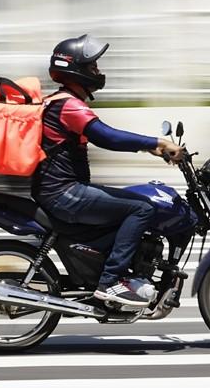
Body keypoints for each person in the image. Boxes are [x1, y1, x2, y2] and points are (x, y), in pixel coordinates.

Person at [31, 34, 184, 307]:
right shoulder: (69, 105)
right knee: (142, 208)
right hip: (64, 193)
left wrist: (151, 148)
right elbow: (107, 137)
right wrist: (156, 142)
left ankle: (106, 268)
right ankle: (110, 282)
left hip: (59, 190)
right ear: (76, 69)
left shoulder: (61, 101)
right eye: (93, 67)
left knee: (127, 206)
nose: (98, 72)